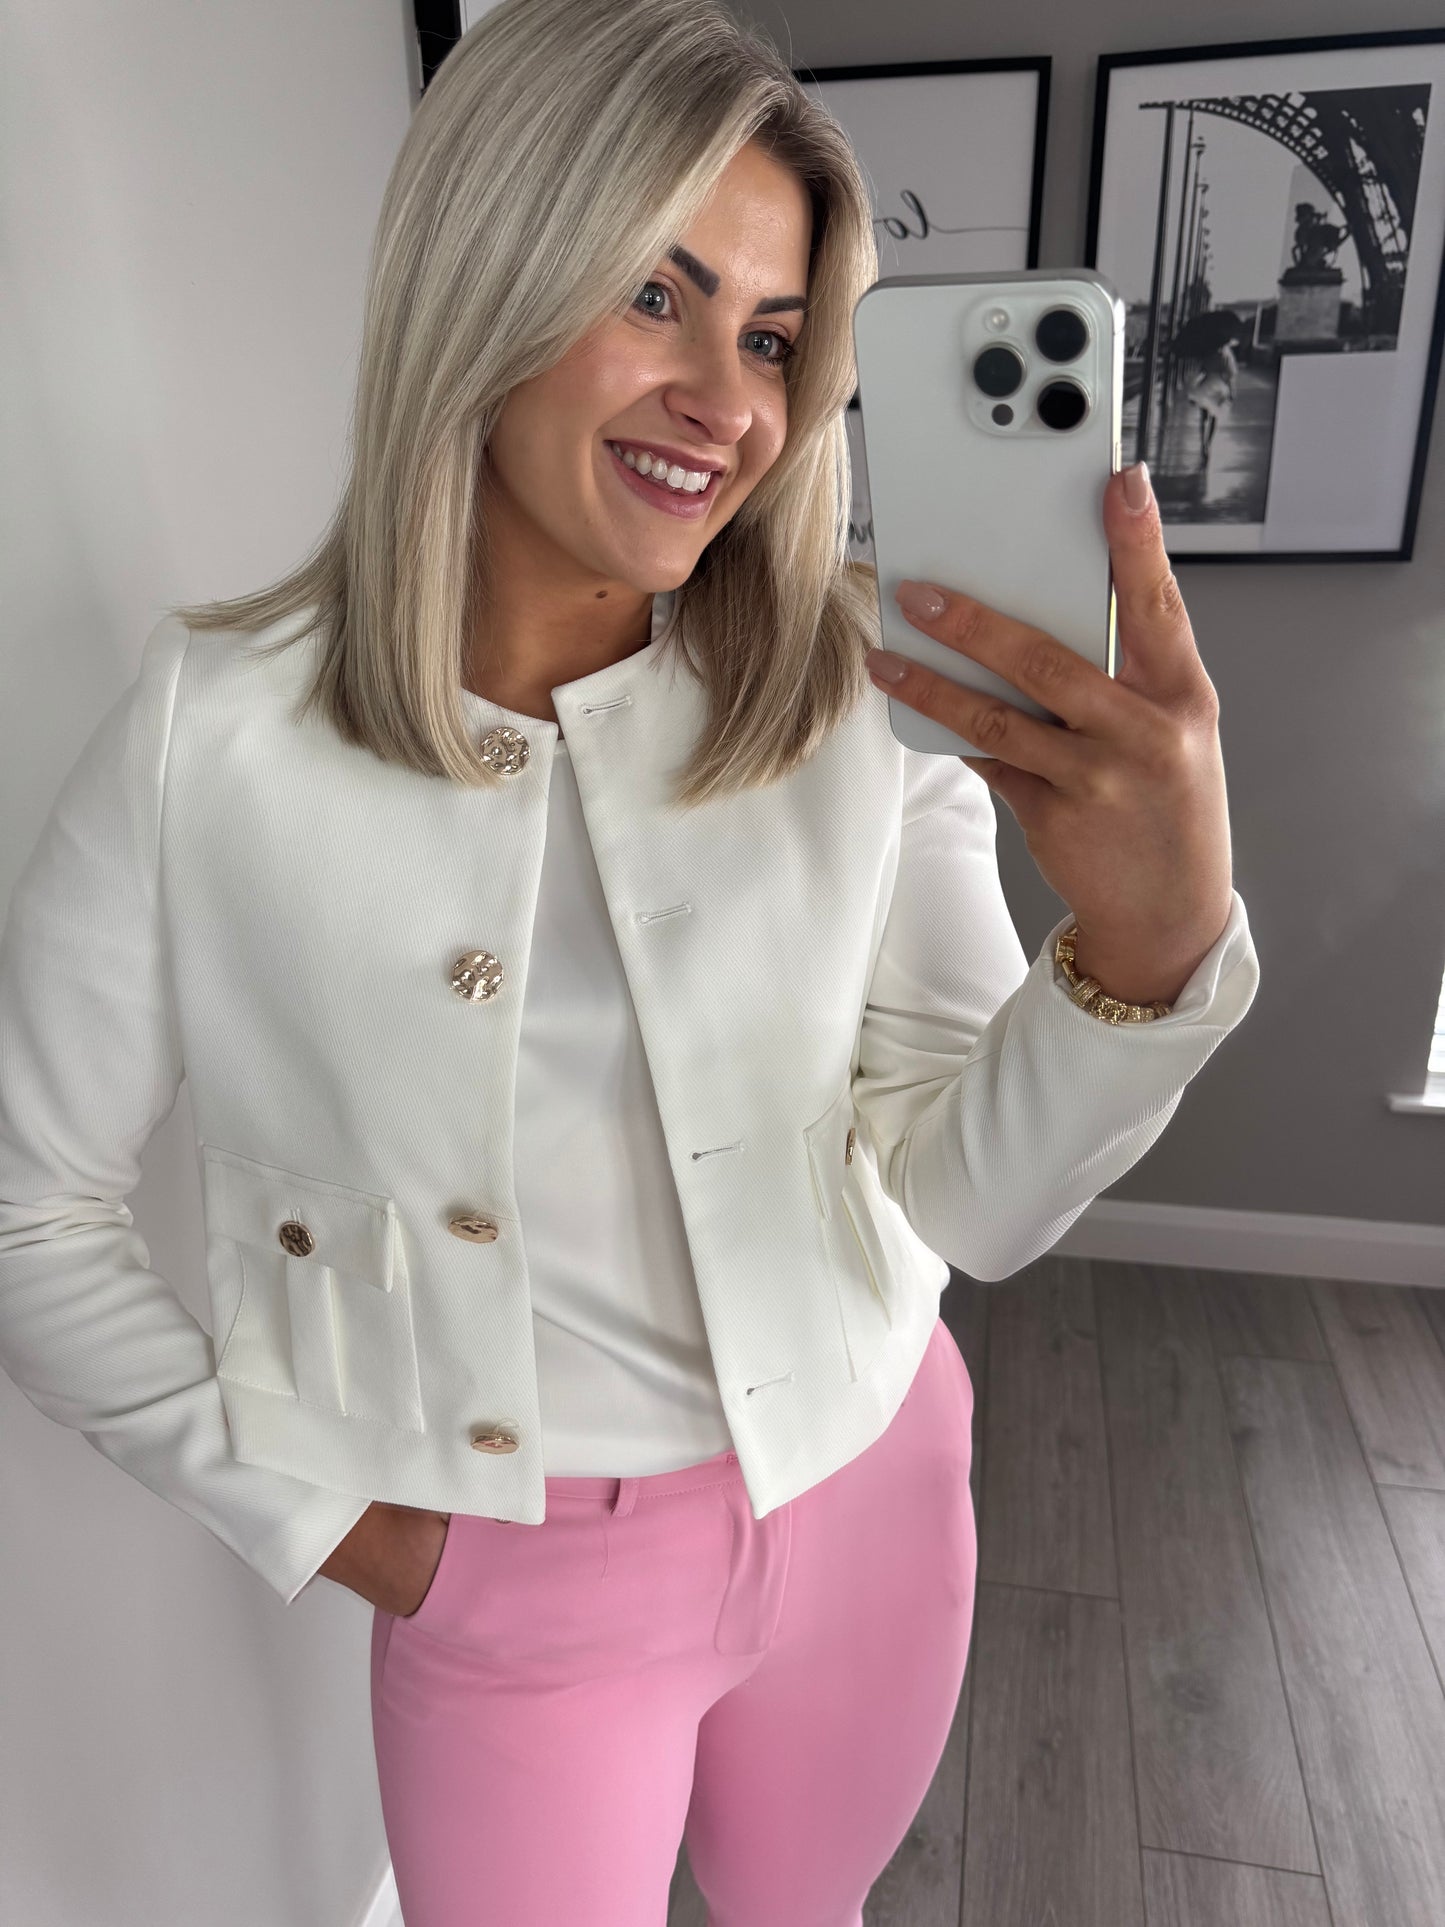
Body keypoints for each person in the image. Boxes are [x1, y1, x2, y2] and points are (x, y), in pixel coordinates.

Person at [0, 1, 1260, 1921]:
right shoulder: (215, 733)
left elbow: (970, 1198)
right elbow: (27, 1207)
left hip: (869, 1470)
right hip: (514, 1575)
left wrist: (1150, 944)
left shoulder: (855, 696)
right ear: (486, 270)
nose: (728, 403)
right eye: (657, 295)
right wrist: (352, 1529)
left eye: (772, 338)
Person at [1185, 338, 1239, 464]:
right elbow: (1231, 375)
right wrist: (1232, 391)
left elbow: (1202, 369)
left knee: (1203, 416)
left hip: (1206, 385)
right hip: (1219, 387)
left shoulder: (1208, 352)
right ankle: (1208, 442)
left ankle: (1203, 442)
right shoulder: (1227, 355)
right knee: (1214, 416)